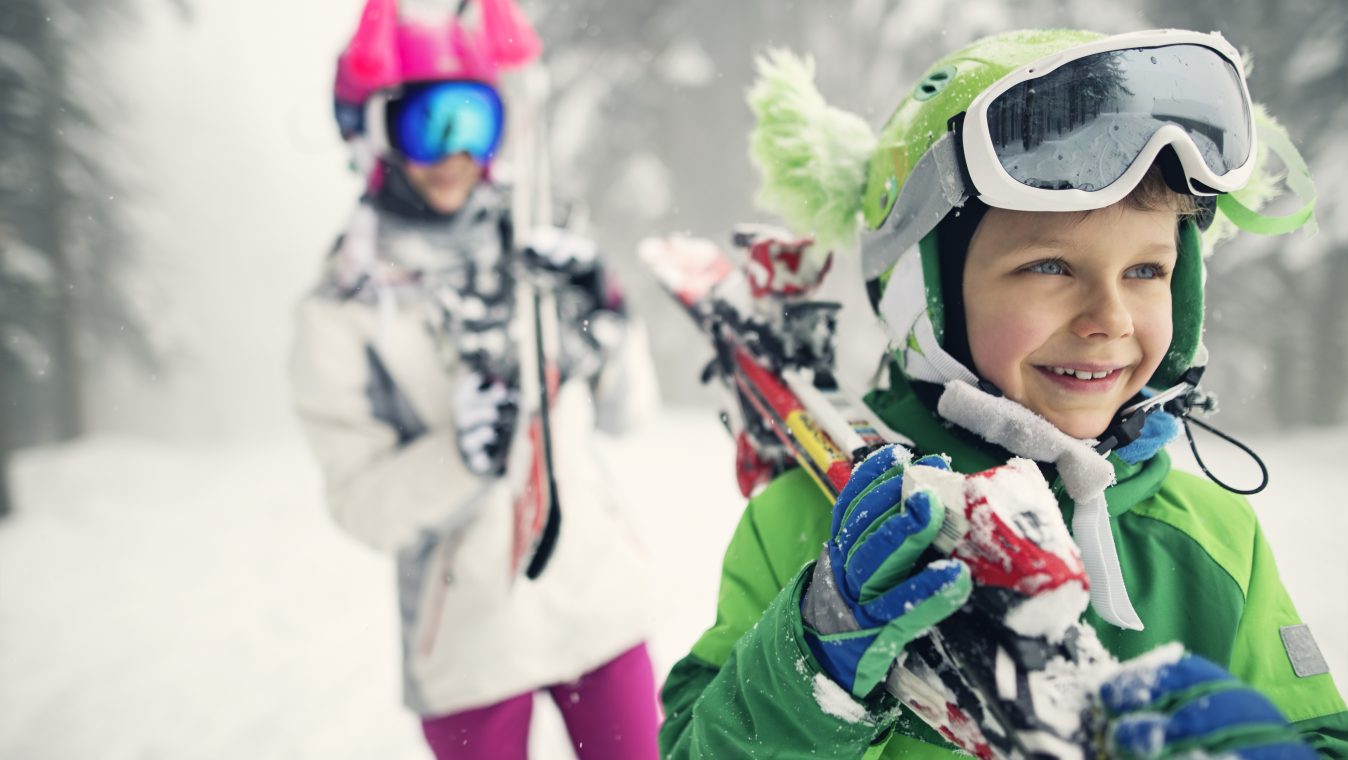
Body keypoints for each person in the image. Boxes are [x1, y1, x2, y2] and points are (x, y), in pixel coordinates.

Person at [659, 29, 1348, 758]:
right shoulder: (807, 523)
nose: (1109, 319)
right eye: (1050, 266)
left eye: (1146, 271)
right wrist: (809, 659)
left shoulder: (1214, 539)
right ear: (924, 299)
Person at [289, 1, 662, 758]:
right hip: (467, 638)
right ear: (374, 133)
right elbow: (361, 503)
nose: (456, 151)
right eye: (430, 123)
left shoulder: (537, 240)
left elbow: (630, 414)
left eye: (475, 120)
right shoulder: (343, 307)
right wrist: (461, 456)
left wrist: (606, 324)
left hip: (596, 602)